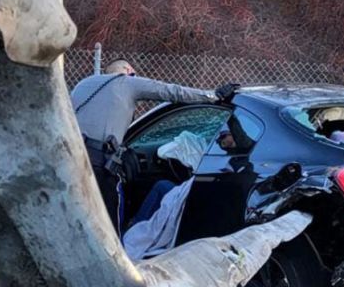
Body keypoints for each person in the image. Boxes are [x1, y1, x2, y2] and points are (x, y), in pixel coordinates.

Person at [71, 59, 235, 232]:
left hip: (69, 155)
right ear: (128, 70)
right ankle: (116, 256)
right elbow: (171, 92)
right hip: (100, 163)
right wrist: (212, 96)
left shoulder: (83, 84)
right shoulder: (127, 82)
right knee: (110, 221)